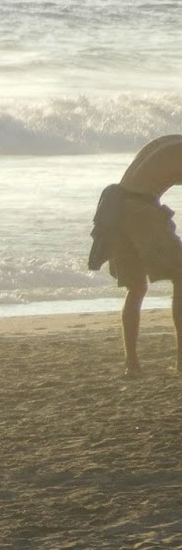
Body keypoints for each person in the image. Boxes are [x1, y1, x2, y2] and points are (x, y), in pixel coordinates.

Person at [88, 135, 182, 375]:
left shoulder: (166, 142)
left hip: (118, 208)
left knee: (137, 288)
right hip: (141, 210)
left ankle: (132, 364)